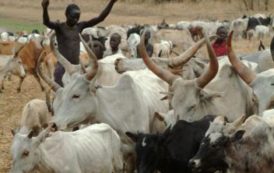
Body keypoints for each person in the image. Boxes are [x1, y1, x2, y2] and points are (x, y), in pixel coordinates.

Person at [41, 0, 117, 86]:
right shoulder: (60, 27)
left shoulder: (79, 26)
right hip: (63, 68)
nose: (76, 20)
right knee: (61, 94)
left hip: (76, 68)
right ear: (66, 15)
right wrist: (45, 8)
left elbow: (100, 18)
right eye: (73, 17)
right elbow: (46, 22)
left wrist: (111, 3)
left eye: (78, 17)